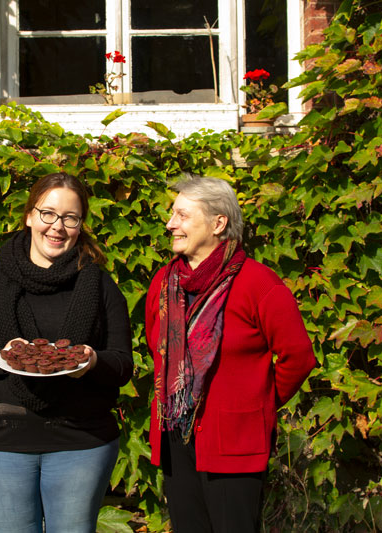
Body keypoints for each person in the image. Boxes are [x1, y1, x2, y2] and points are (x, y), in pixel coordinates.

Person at [0, 172, 134, 533]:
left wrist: (92, 362)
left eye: (70, 218)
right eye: (48, 213)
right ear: (29, 216)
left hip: (82, 441)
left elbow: (122, 363)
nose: (57, 227)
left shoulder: (98, 284)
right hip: (3, 439)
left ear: (80, 225)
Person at [145, 174, 316, 533]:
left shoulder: (258, 283)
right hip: (176, 437)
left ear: (218, 223)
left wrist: (256, 405)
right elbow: (157, 347)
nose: (169, 223)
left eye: (182, 215)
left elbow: (297, 357)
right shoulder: (164, 283)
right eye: (172, 214)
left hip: (234, 444)